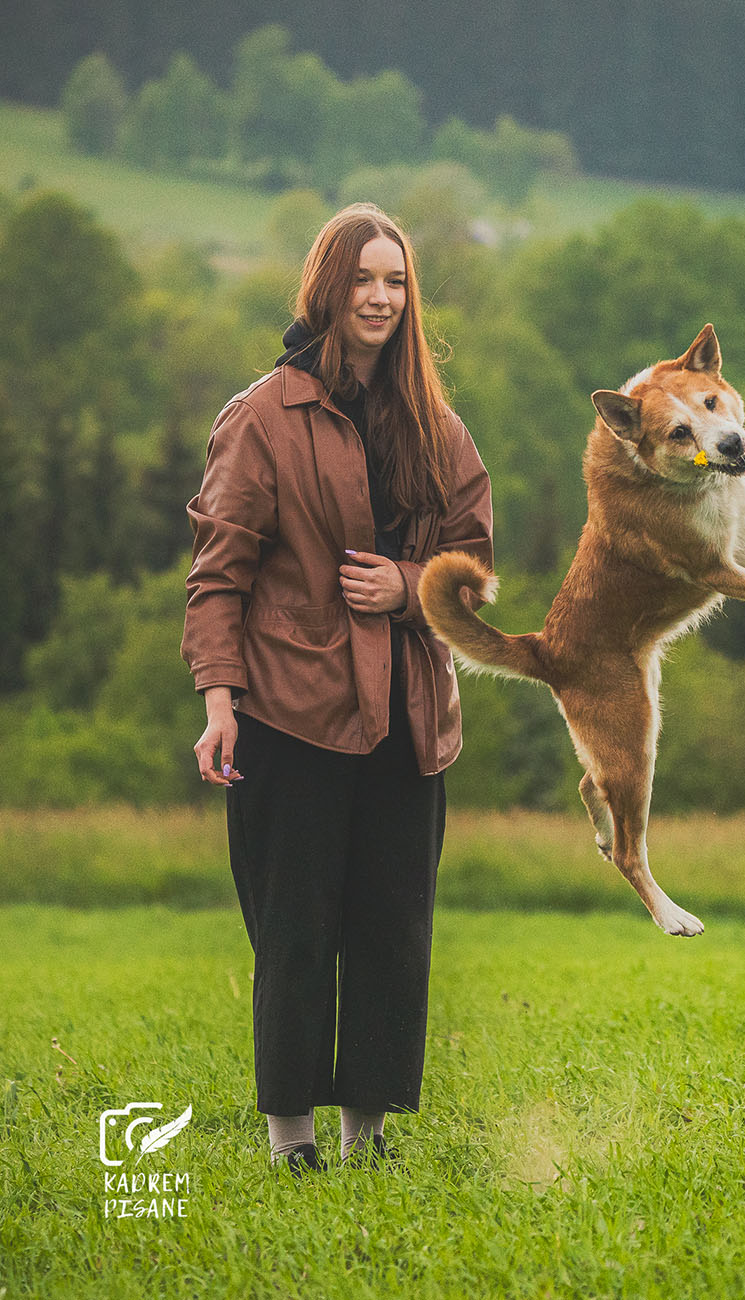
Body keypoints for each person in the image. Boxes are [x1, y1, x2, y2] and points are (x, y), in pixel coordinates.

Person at [181, 203, 493, 1174]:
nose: (379, 296)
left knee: (391, 931)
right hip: (289, 715)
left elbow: (473, 566)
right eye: (362, 278)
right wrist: (219, 700)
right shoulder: (261, 416)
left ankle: (367, 1136)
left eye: (395, 280)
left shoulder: (435, 426)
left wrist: (408, 588)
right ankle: (292, 1142)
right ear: (327, 289)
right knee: (297, 931)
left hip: (407, 722)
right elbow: (218, 572)